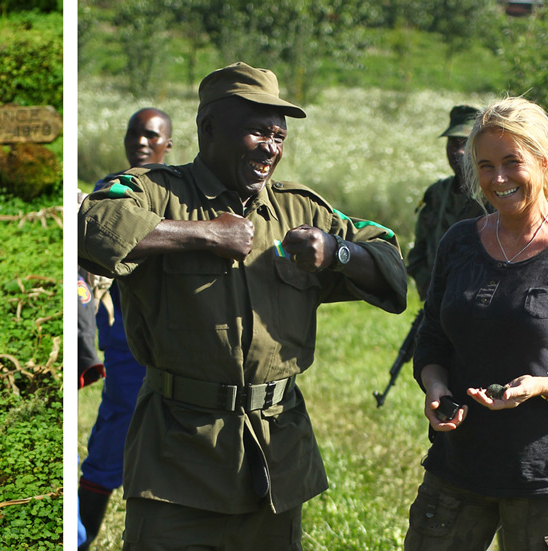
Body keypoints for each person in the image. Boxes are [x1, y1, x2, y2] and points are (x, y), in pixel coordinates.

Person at [78, 62, 407, 550]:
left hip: (274, 462)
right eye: (257, 132)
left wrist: (338, 251)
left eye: (279, 135)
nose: (271, 147)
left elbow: (392, 267)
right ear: (208, 129)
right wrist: (203, 233)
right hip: (178, 459)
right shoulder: (156, 190)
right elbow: (93, 223)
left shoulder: (301, 210)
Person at [405, 96, 548, 551]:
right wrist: (434, 386)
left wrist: (545, 386)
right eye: (486, 165)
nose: (498, 179)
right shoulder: (460, 242)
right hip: (460, 466)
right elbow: (432, 338)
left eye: (512, 162)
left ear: (544, 162)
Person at [79, 108, 173, 550]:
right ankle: (81, 537)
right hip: (124, 344)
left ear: (168, 144)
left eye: (151, 135)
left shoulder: (180, 193)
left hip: (175, 343)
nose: (141, 141)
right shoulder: (111, 191)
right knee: (113, 435)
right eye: (135, 133)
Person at [407, 105, 490, 301]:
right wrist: (429, 285)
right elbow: (417, 253)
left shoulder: (495, 196)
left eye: (466, 143)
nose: (459, 151)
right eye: (453, 143)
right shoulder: (437, 194)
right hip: (436, 306)